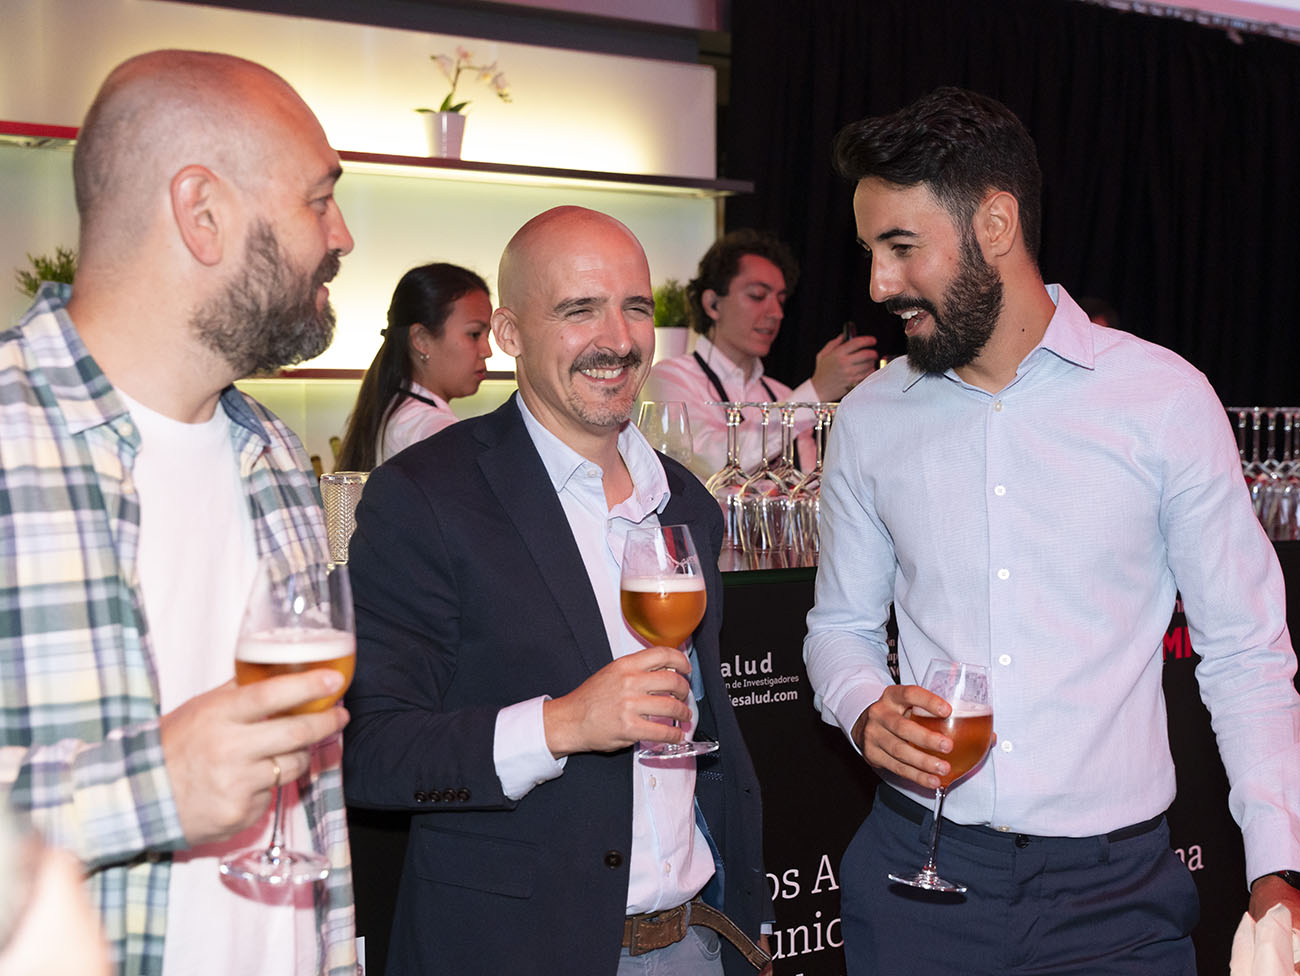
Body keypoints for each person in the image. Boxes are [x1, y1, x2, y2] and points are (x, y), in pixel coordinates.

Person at [803, 86, 1300, 974]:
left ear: (996, 224)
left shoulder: (1163, 400)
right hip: (919, 878)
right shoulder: (872, 417)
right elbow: (839, 627)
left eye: (901, 247)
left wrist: (1278, 867)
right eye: (870, 252)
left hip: (1117, 900)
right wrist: (863, 706)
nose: (879, 284)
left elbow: (1246, 652)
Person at [0, 50, 357, 975]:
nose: (343, 234)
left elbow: (315, 818)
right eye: (319, 199)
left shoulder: (271, 450)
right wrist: (150, 788)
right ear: (202, 214)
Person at [343, 206, 770, 975]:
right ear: (508, 333)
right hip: (517, 950)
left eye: (635, 308)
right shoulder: (426, 496)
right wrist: (561, 724)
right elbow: (373, 751)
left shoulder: (686, 501)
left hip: (695, 942)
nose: (618, 338)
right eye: (579, 310)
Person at [641, 229, 878, 475]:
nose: (777, 313)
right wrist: (816, 391)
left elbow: (808, 486)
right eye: (757, 296)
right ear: (712, 304)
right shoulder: (668, 379)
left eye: (781, 300)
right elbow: (708, 464)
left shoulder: (781, 394)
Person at [336, 262, 493, 470]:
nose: (487, 351)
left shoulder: (394, 411)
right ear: (421, 339)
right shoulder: (434, 430)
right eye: (474, 334)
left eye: (488, 335)